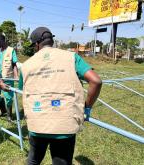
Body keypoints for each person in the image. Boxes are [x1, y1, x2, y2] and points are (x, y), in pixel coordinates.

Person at [18, 27, 102, 164]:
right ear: (52, 41)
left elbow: (23, 89)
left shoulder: (26, 65)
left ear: (37, 44)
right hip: (64, 124)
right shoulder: (71, 57)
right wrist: (86, 108)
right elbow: (96, 81)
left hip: (37, 123)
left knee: (33, 160)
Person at [0, 34, 19, 121]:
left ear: (2, 41)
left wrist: (16, 75)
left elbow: (14, 64)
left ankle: (9, 115)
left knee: (9, 98)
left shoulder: (11, 50)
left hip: (7, 77)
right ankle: (3, 110)